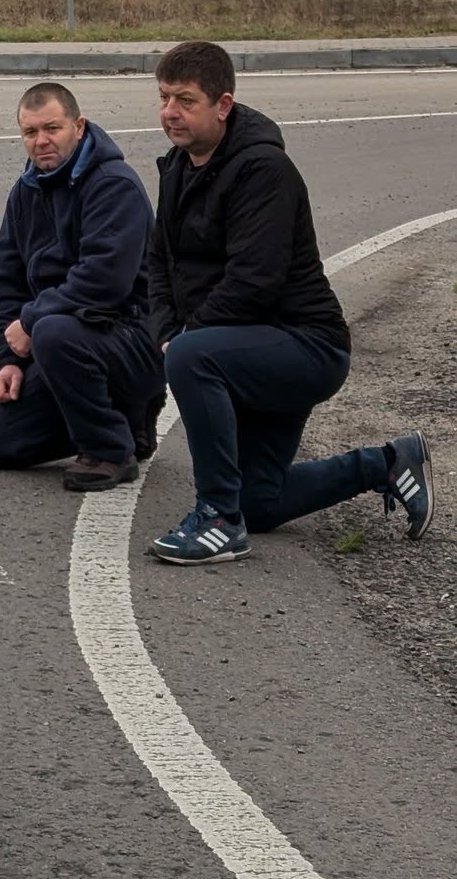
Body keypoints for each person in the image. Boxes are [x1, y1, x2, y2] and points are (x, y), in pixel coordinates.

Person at [146, 41, 433, 565]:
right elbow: (159, 263)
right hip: (244, 345)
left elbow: (255, 282)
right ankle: (387, 463)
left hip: (304, 345)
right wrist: (166, 328)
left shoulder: (264, 172)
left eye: (185, 100)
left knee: (190, 357)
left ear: (223, 105)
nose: (169, 112)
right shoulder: (178, 168)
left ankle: (217, 520)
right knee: (261, 500)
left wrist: (188, 341)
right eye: (164, 97)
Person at [0, 83, 166, 493]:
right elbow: (8, 283)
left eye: (52, 128)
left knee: (53, 330)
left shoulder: (114, 185)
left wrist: (31, 321)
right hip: (65, 342)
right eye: (30, 132)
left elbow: (104, 282)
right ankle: (128, 417)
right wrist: (8, 360)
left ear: (78, 126)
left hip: (132, 337)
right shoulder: (24, 193)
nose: (41, 141)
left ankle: (111, 450)